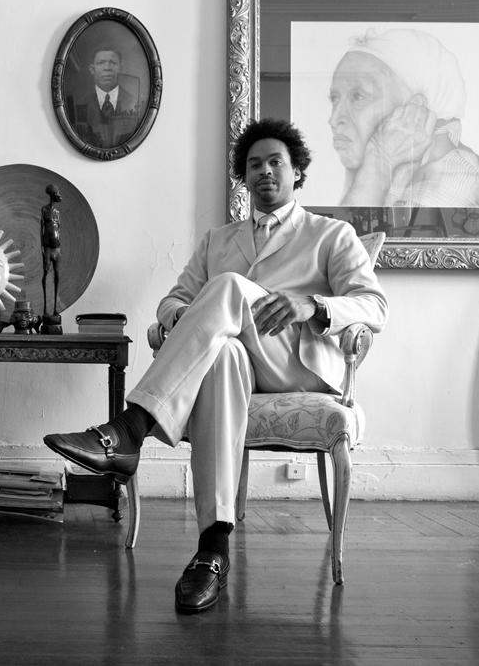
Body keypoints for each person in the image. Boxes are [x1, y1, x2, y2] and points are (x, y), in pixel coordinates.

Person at [44, 118, 388, 613]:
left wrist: (311, 305)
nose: (265, 171)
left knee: (227, 287)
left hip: (297, 363)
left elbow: (375, 307)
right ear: (244, 179)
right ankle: (213, 550)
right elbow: (171, 302)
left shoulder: (331, 235)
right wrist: (189, 320)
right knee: (222, 352)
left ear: (298, 174)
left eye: (276, 163)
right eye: (254, 165)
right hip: (237, 363)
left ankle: (129, 428)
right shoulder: (217, 240)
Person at [328, 28, 479, 208]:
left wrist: (377, 164)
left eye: (358, 96)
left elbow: (347, 233)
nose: (334, 119)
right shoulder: (398, 170)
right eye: (334, 99)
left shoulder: (457, 182)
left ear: (415, 109)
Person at [68, 45, 141, 149]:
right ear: (92, 69)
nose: (107, 68)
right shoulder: (80, 103)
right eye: (101, 63)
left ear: (121, 68)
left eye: (113, 63)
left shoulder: (133, 102)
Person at [40, 184, 63, 324]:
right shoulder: (44, 210)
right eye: (56, 193)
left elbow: (58, 229)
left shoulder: (57, 213)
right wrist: (41, 248)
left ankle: (55, 308)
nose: (58, 195)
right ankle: (45, 309)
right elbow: (41, 229)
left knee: (57, 276)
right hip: (48, 248)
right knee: (45, 275)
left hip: (57, 249)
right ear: (52, 194)